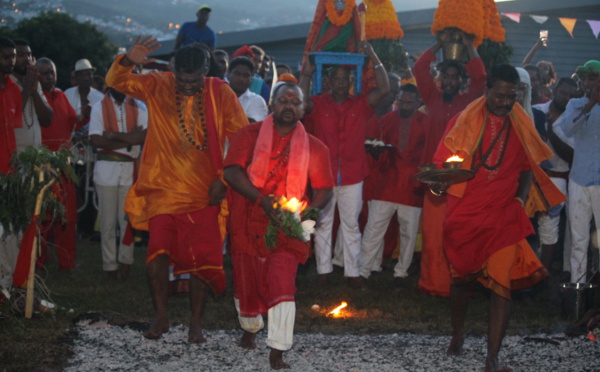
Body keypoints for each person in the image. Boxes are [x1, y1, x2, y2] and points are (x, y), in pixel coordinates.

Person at [105, 37, 247, 342]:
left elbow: (242, 140)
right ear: (173, 70)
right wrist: (129, 59)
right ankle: (161, 316)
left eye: (193, 80)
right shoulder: (157, 84)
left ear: (207, 71)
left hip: (203, 193)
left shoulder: (220, 92)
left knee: (202, 261)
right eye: (181, 79)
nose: (186, 85)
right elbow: (115, 80)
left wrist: (222, 179)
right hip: (162, 189)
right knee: (156, 255)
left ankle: (196, 322)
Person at [432, 64, 563, 371]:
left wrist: (519, 198)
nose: (506, 102)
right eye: (500, 95)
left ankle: (492, 358)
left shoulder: (522, 123)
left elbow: (528, 166)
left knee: (501, 283)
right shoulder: (462, 121)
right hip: (465, 215)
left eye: (511, 96)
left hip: (503, 214)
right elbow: (441, 166)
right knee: (460, 280)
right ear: (486, 90)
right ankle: (457, 332)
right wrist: (439, 183)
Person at [224, 81, 333, 370]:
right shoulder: (248, 134)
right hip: (248, 216)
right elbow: (232, 172)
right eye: (283, 100)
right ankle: (250, 326)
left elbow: (324, 188)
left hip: (288, 224)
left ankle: (278, 348)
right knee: (247, 278)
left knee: (282, 280)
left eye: (295, 102)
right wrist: (261, 201)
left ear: (303, 108)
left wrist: (310, 212)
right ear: (271, 103)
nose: (288, 106)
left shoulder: (316, 147)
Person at [299, 40, 390, 289]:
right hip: (323, 176)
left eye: (344, 79)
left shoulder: (360, 105)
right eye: (336, 78)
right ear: (329, 81)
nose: (340, 83)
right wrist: (306, 73)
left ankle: (352, 272)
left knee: (351, 225)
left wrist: (373, 54)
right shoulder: (318, 104)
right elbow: (300, 102)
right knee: (324, 223)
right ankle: (324, 270)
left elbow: (384, 88)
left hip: (352, 175)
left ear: (350, 81)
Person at [414, 30, 486, 297]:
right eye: (447, 76)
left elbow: (481, 79)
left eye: (456, 77)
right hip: (433, 177)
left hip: (460, 179)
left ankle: (455, 284)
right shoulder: (431, 98)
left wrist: (469, 46)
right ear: (440, 79)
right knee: (432, 235)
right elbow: (420, 67)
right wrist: (441, 44)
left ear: (461, 81)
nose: (451, 81)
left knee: (455, 234)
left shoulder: (468, 102)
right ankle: (430, 283)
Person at [359, 84, 428, 284]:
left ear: (418, 103)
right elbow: (375, 145)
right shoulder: (387, 120)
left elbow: (428, 154)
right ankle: (363, 269)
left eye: (410, 102)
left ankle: (401, 272)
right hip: (386, 183)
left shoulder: (426, 123)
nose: (405, 106)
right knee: (374, 228)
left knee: (409, 232)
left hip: (412, 186)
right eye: (402, 101)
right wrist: (374, 151)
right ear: (397, 100)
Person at [89, 87, 148, 281]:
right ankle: (109, 266)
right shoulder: (99, 106)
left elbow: (144, 136)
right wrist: (129, 141)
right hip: (106, 169)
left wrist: (112, 136)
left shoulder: (138, 106)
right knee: (107, 222)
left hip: (129, 171)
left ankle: (125, 264)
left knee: (127, 222)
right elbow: (96, 140)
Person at [559, 60, 600, 284]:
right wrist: (590, 104)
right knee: (579, 240)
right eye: (584, 79)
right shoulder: (575, 104)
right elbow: (568, 128)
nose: (587, 83)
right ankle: (577, 290)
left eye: (592, 78)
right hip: (579, 180)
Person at [36, 57, 78, 271]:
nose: (49, 76)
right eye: (44, 73)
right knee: (41, 217)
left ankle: (67, 262)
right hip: (41, 167)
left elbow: (74, 121)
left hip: (63, 168)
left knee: (67, 217)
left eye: (51, 72)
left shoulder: (61, 96)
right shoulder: (32, 98)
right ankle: (38, 263)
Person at [533, 77, 578, 273]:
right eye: (563, 93)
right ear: (556, 89)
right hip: (531, 175)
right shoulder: (537, 110)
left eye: (570, 96)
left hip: (556, 177)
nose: (566, 98)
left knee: (549, 225)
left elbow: (570, 156)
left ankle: (544, 272)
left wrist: (550, 131)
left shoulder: (574, 120)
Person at [0, 36, 22, 291]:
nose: (12, 61)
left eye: (13, 56)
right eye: (6, 56)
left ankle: (7, 284)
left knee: (8, 230)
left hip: (9, 171)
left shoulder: (14, 88)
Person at [11, 38, 53, 151]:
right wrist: (27, 90)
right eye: (21, 55)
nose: (27, 59)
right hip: (14, 158)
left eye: (29, 55)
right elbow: (11, 118)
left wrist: (34, 91)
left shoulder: (34, 82)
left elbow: (47, 120)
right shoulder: (6, 84)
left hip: (35, 158)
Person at [64, 58, 105, 129]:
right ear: (76, 77)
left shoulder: (100, 97)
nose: (85, 78)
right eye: (81, 75)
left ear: (92, 77)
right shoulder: (67, 94)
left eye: (88, 74)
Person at [228, 57, 267, 123]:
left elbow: (252, 127)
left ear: (251, 78)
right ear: (229, 74)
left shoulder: (257, 100)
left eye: (246, 75)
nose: (241, 79)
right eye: (237, 74)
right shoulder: (218, 96)